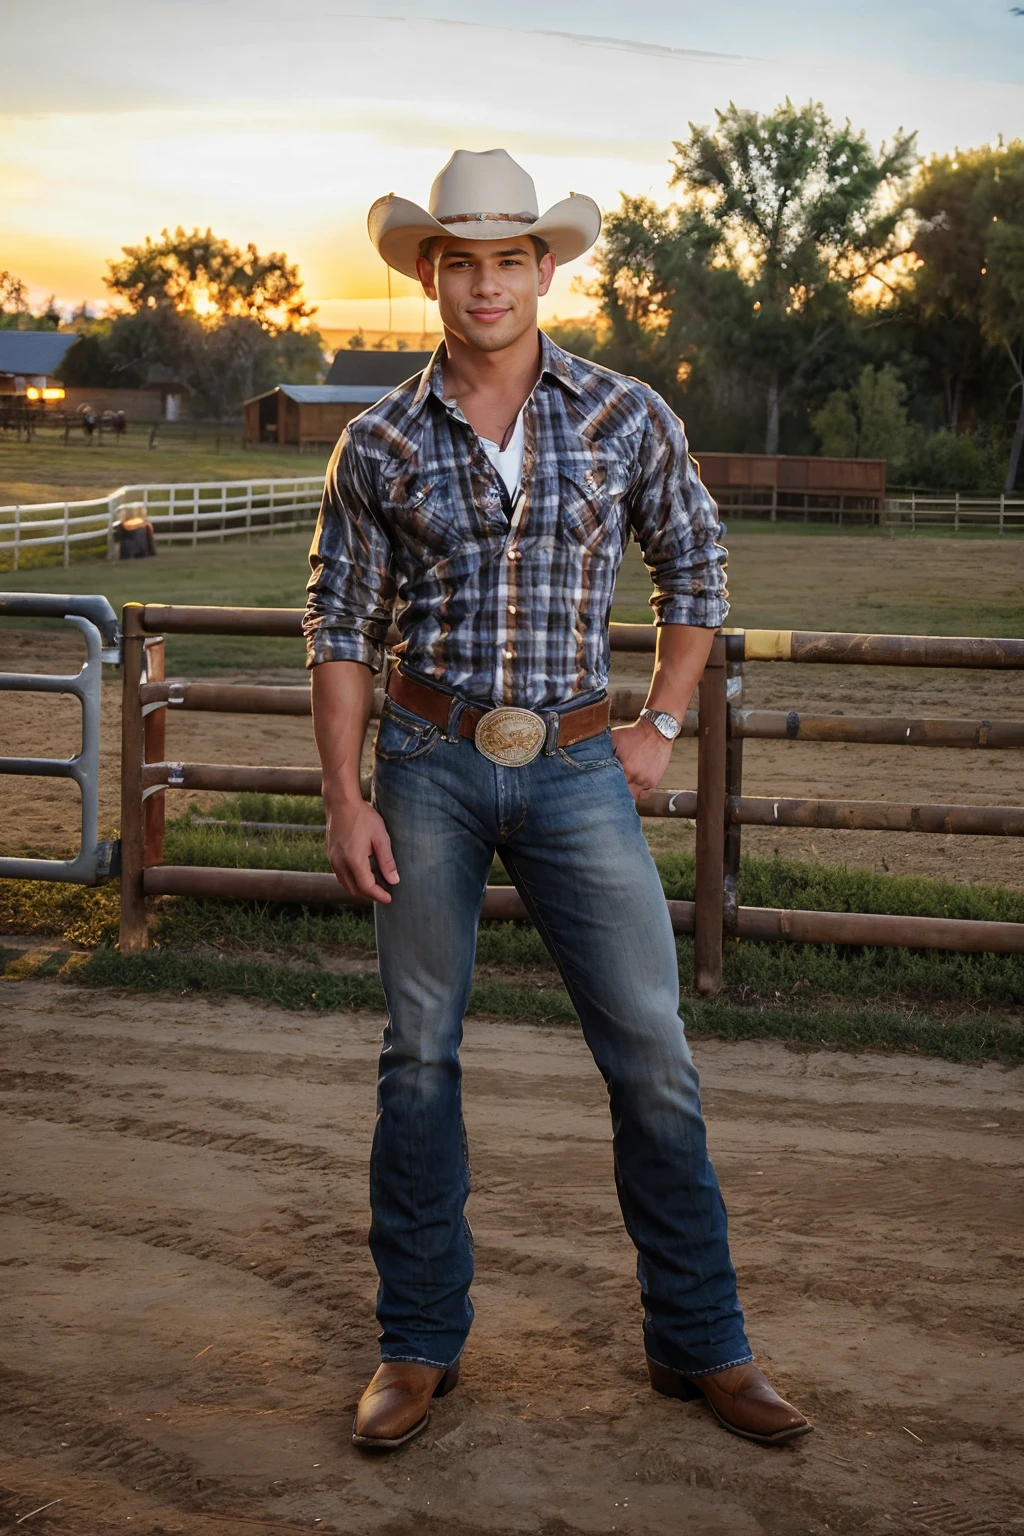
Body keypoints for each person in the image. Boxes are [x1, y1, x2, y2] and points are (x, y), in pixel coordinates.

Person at [304, 149, 811, 1454]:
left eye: (509, 258)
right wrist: (343, 793)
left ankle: (703, 1345)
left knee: (652, 1050)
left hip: (585, 769)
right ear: (431, 273)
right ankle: (416, 1346)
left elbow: (694, 569)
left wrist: (659, 724)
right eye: (461, 260)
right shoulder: (377, 439)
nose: (486, 282)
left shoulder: (626, 415)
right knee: (419, 1054)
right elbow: (341, 628)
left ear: (546, 269)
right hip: (426, 763)